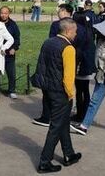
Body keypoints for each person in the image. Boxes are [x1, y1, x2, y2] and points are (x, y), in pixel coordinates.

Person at [33, 18, 81, 173]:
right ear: (68, 31)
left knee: (62, 122)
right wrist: (70, 94)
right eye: (74, 31)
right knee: (56, 126)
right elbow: (69, 76)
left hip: (47, 88)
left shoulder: (48, 42)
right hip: (60, 92)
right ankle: (44, 161)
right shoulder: (68, 48)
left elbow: (41, 66)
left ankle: (69, 154)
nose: (76, 34)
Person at [34, 4, 74, 126]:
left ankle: (47, 117)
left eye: (59, 10)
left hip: (54, 58)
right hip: (68, 57)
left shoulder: (57, 25)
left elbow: (51, 40)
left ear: (64, 11)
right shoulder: (74, 25)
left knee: (49, 90)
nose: (58, 12)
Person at [71, 11, 95, 122]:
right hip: (88, 64)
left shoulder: (79, 30)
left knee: (80, 91)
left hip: (81, 64)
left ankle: (80, 114)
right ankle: (83, 113)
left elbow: (76, 46)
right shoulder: (88, 29)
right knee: (85, 90)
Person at [0, 6, 21, 99]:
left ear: (8, 14)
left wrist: (14, 48)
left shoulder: (13, 24)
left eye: (6, 13)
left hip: (9, 52)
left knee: (11, 72)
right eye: (2, 13)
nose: (3, 15)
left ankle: (12, 90)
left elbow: (17, 38)